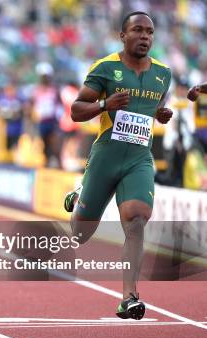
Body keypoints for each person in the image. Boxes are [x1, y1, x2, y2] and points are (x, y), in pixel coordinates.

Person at [63, 12, 173, 320]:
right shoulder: (105, 68)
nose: (144, 37)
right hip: (106, 156)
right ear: (122, 35)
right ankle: (79, 194)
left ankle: (129, 297)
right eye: (137, 30)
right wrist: (103, 105)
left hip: (139, 158)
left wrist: (159, 114)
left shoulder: (163, 73)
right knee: (81, 235)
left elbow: (148, 108)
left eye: (149, 32)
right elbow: (75, 110)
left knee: (136, 220)